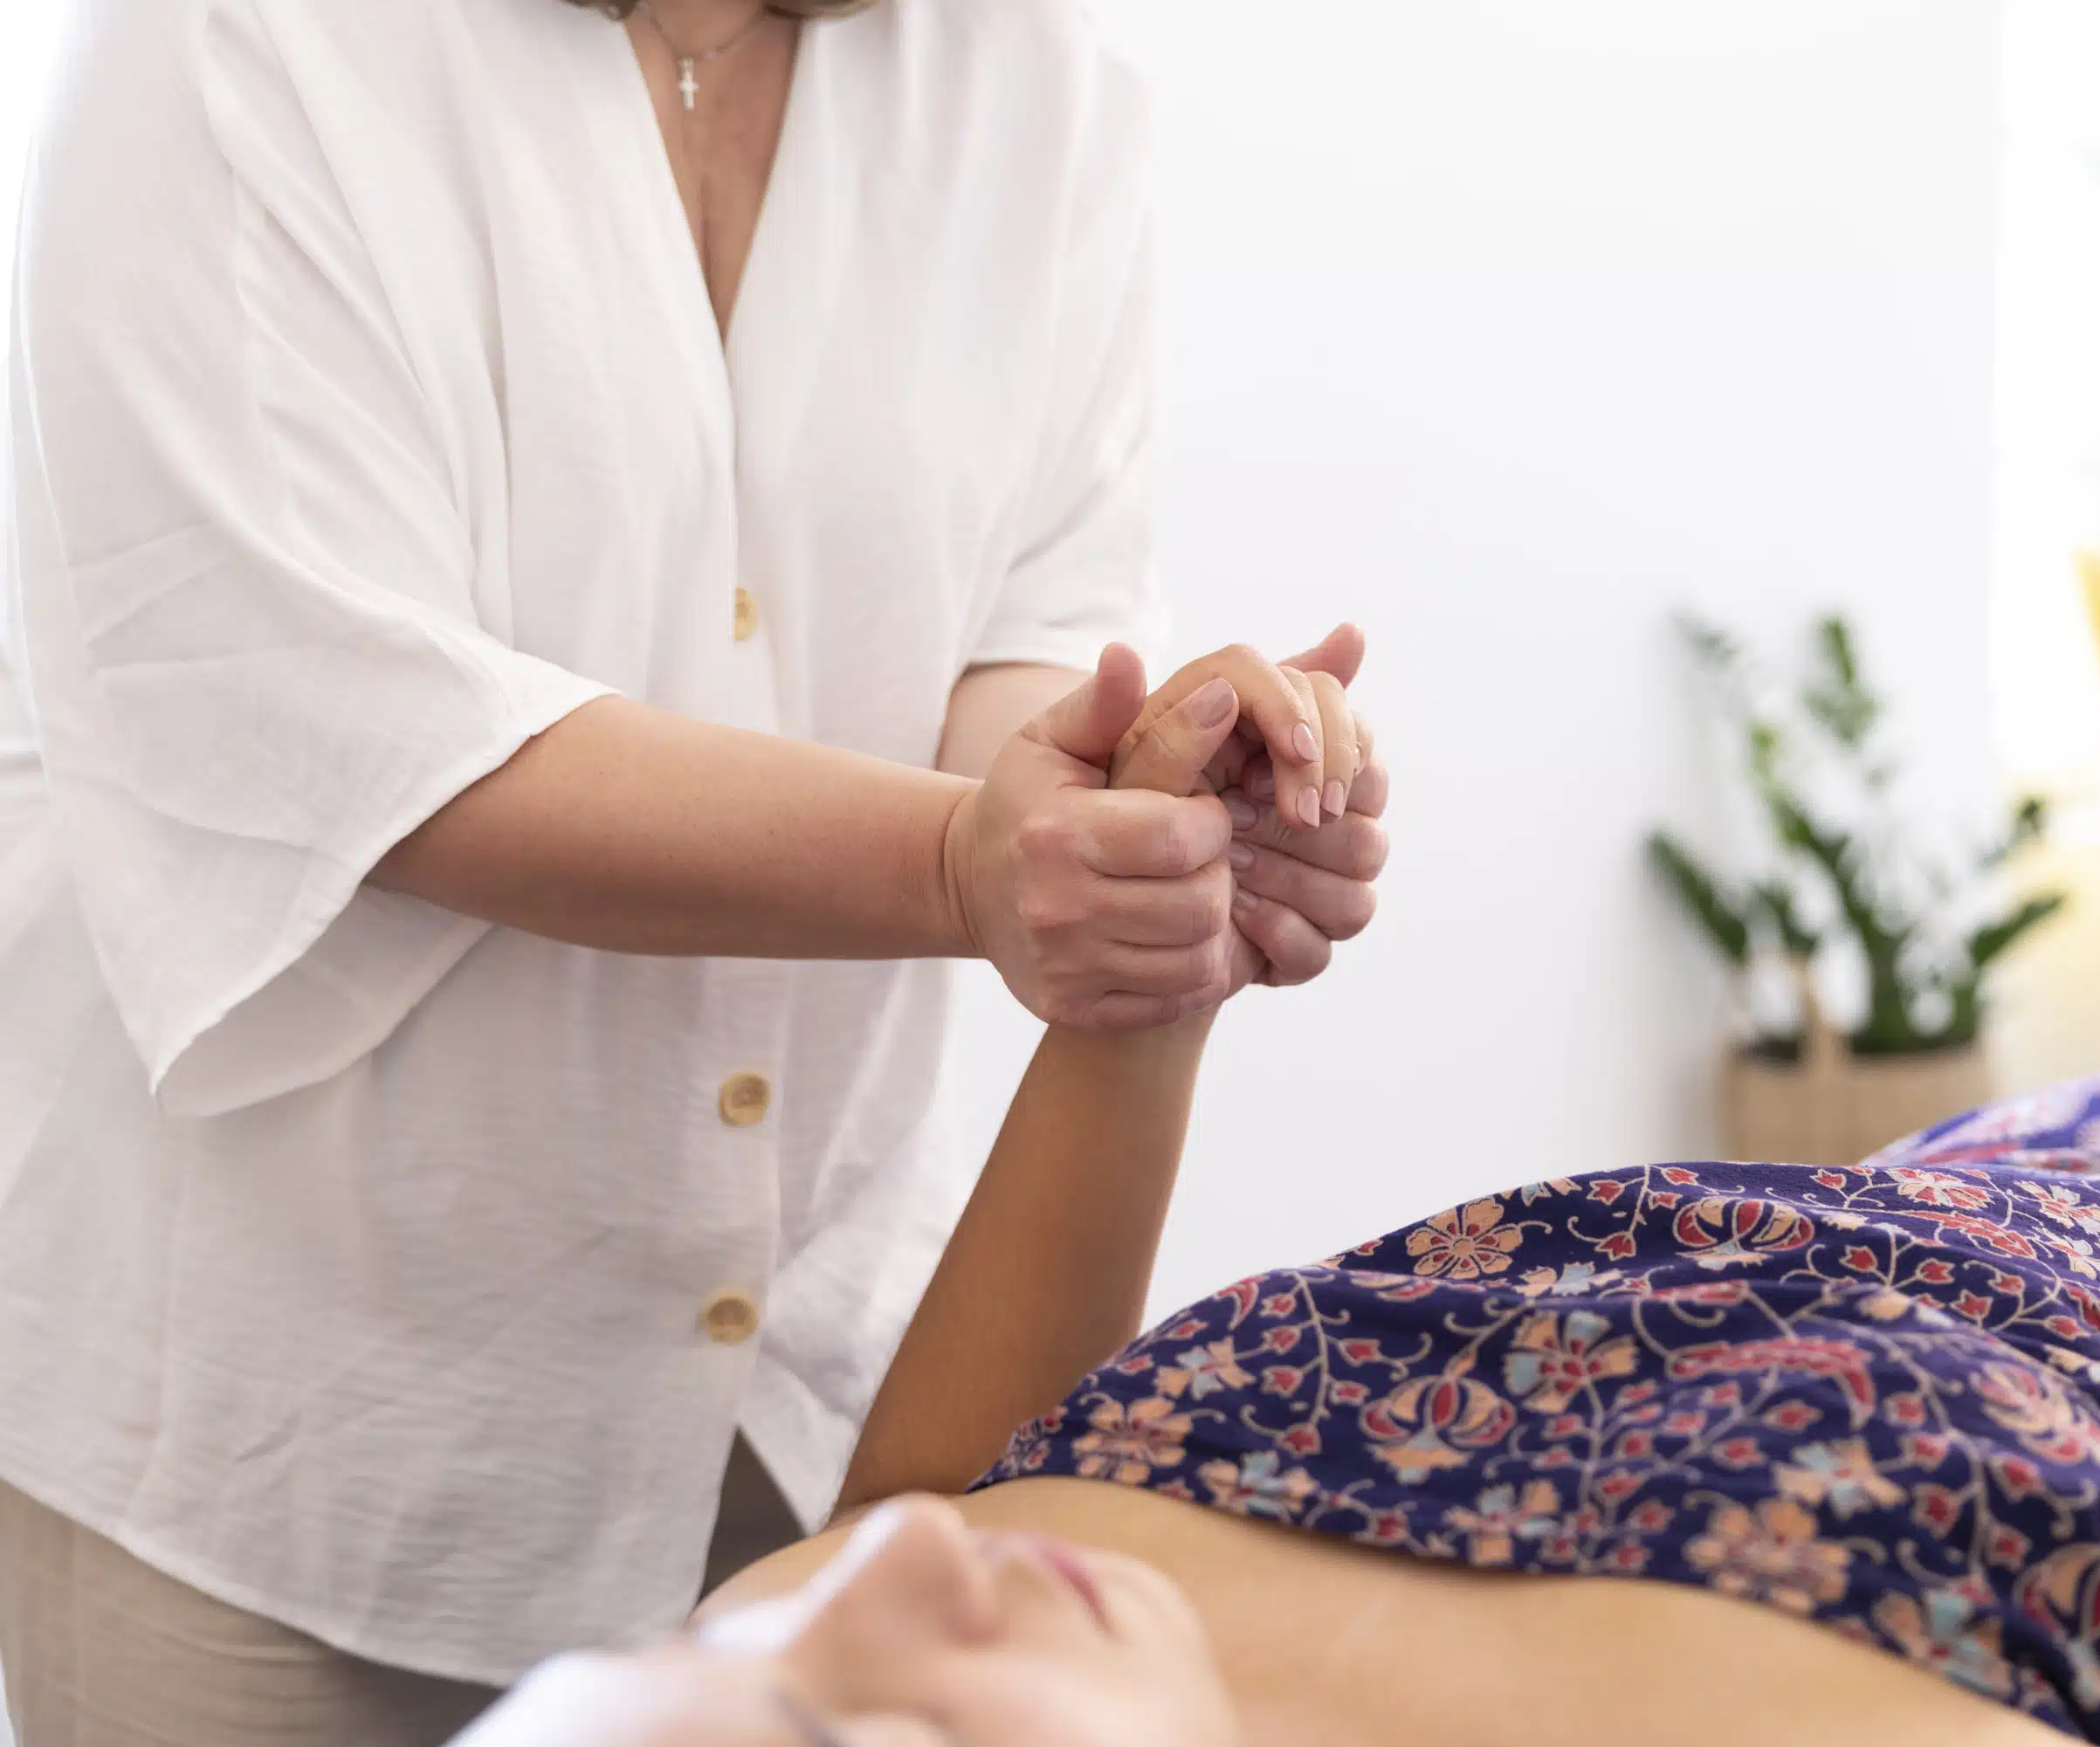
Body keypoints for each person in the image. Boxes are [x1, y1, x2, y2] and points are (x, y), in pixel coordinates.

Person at [0, 1, 1388, 1742]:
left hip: (781, 1377)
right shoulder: (238, 40)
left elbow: (1019, 641)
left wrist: (1143, 791)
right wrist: (968, 867)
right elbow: (335, 727)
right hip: (278, 1426)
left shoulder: (1030, 74)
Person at [454, 1000, 2100, 1745]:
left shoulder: (869, 1587)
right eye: (869, 1742)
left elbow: (913, 1495)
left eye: (700, 1656)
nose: (886, 1570)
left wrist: (1144, 994)